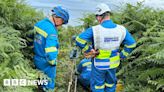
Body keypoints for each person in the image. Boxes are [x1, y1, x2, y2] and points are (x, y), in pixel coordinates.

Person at [75, 3, 136, 92]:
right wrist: (122, 55)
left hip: (99, 64)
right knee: (110, 85)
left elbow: (79, 40)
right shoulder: (122, 29)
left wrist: (89, 50)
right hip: (113, 64)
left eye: (97, 17)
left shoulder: (95, 29)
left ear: (99, 17)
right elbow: (132, 44)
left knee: (97, 87)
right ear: (108, 15)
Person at [33, 6, 69, 91]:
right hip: (46, 63)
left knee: (40, 83)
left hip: (37, 58)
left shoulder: (40, 23)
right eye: (62, 22)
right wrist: (53, 62)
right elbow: (51, 50)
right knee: (49, 86)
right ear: (58, 18)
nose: (61, 24)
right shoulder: (51, 31)